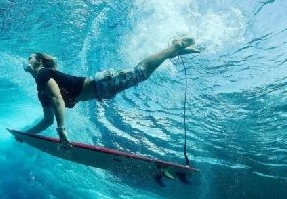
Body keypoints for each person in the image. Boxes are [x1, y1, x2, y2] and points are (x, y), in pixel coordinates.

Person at [21, 36, 199, 147]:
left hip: (102, 83)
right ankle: (174, 52)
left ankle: (175, 46)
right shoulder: (40, 89)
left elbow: (57, 99)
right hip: (102, 90)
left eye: (30, 58)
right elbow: (47, 120)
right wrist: (27, 134)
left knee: (140, 72)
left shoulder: (42, 74)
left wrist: (62, 130)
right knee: (141, 74)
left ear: (39, 62)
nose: (27, 60)